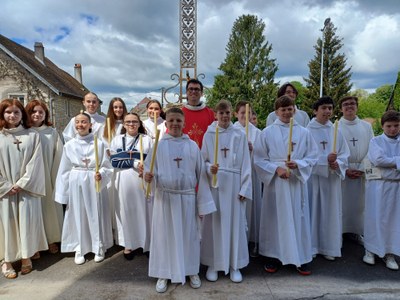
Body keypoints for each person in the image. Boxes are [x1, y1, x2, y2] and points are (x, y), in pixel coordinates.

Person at [144, 107, 216, 293]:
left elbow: (201, 174)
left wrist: (202, 204)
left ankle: (191, 270)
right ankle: (163, 272)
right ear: (165, 123)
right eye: (171, 120)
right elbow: (148, 169)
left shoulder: (192, 146)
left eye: (178, 120)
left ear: (184, 123)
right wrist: (147, 177)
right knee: (164, 236)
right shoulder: (158, 146)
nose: (175, 124)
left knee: (189, 236)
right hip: (165, 198)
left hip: (187, 198)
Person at [254, 95, 318, 275]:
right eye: (283, 110)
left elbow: (313, 156)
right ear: (276, 112)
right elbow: (259, 159)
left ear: (294, 110)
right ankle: (273, 256)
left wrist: (298, 164)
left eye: (290, 109)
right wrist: (276, 169)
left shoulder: (304, 132)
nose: (287, 112)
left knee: (298, 218)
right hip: (276, 184)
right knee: (275, 219)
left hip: (295, 183)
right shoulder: (267, 132)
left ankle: (300, 257)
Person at [201, 100, 252, 283]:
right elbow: (203, 160)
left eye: (228, 113)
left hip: (234, 186)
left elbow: (246, 163)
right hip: (216, 185)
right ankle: (214, 263)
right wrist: (209, 169)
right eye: (221, 113)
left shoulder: (239, 134)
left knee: (235, 225)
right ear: (216, 114)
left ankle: (234, 264)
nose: (224, 116)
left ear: (232, 114)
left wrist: (245, 188)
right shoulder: (209, 134)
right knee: (214, 225)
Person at [55, 112, 113, 265]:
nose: (80, 125)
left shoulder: (99, 143)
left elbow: (107, 166)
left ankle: (98, 245)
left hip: (94, 181)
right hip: (77, 181)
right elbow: (64, 169)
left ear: (90, 125)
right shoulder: (69, 145)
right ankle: (79, 246)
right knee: (78, 213)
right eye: (78, 122)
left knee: (96, 212)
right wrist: (63, 192)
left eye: (84, 122)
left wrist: (101, 173)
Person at [0, 98, 47, 279]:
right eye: (8, 112)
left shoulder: (32, 135)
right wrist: (5, 186)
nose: (12, 115)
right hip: (5, 191)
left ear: (22, 115)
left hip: (26, 188)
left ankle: (27, 256)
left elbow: (36, 163)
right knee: (7, 224)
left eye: (16, 112)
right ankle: (7, 260)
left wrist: (21, 183)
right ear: (3, 114)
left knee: (27, 221)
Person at [307, 96, 350, 261]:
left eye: (330, 108)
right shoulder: (307, 131)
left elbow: (345, 154)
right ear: (315, 110)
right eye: (323, 108)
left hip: (331, 180)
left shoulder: (336, 131)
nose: (327, 111)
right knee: (312, 210)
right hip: (313, 179)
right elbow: (304, 155)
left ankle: (329, 246)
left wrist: (337, 163)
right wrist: (325, 161)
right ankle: (311, 245)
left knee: (330, 212)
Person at [110, 112, 153, 260]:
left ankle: (146, 243)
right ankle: (129, 243)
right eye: (128, 122)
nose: (131, 124)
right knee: (126, 211)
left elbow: (151, 159)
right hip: (123, 180)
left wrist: (128, 158)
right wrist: (134, 161)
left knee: (144, 211)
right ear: (123, 124)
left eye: (134, 121)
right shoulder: (117, 140)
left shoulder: (146, 140)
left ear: (139, 123)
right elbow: (114, 161)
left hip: (142, 178)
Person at [25, 100, 64, 257]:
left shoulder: (51, 133)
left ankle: (51, 239)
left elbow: (59, 156)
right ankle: (35, 243)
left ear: (45, 114)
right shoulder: (24, 133)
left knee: (49, 210)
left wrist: (56, 179)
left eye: (41, 112)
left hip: (48, 177)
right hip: (30, 180)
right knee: (33, 212)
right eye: (34, 111)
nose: (37, 114)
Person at [363, 110, 400, 270]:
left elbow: (385, 161)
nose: (392, 129)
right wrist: (397, 162)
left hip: (396, 185)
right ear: (383, 126)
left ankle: (389, 253)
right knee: (375, 217)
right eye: (389, 126)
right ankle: (370, 249)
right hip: (378, 185)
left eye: (396, 126)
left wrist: (390, 163)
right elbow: (378, 160)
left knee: (392, 220)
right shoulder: (375, 141)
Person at [338, 96, 374, 242]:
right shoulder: (336, 127)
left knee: (359, 205)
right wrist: (345, 169)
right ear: (341, 109)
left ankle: (357, 231)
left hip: (361, 169)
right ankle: (340, 232)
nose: (349, 107)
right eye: (345, 104)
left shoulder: (366, 127)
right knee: (343, 204)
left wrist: (361, 168)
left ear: (357, 107)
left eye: (352, 104)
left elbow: (373, 149)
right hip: (343, 171)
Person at [233, 101, 262, 257]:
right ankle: (238, 240)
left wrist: (253, 150)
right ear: (236, 114)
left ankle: (252, 240)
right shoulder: (231, 131)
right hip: (237, 177)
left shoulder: (258, 132)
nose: (245, 115)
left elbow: (264, 155)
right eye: (242, 112)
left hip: (253, 174)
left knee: (253, 208)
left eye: (248, 112)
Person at [182, 79, 215, 148]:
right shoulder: (179, 114)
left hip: (206, 154)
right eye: (190, 89)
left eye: (197, 89)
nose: (193, 91)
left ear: (202, 93)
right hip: (184, 153)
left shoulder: (210, 113)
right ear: (186, 92)